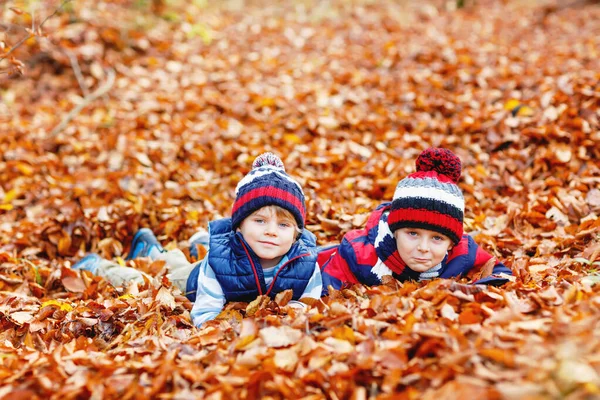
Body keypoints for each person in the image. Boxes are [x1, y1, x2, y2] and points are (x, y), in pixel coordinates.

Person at [72, 153, 323, 327]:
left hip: (220, 273)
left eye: (283, 225)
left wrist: (295, 314)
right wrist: (217, 331)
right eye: (260, 221)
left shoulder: (305, 261)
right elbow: (206, 309)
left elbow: (310, 300)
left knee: (174, 262)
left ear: (296, 233)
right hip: (194, 283)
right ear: (239, 226)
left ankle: (153, 248)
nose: (271, 231)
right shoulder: (220, 261)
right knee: (154, 280)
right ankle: (98, 266)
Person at [319, 147, 512, 294]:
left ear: (452, 242)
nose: (423, 247)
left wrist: (468, 291)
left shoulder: (463, 252)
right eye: (412, 233)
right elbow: (326, 290)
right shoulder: (360, 253)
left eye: (437, 238)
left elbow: (500, 273)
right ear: (395, 231)